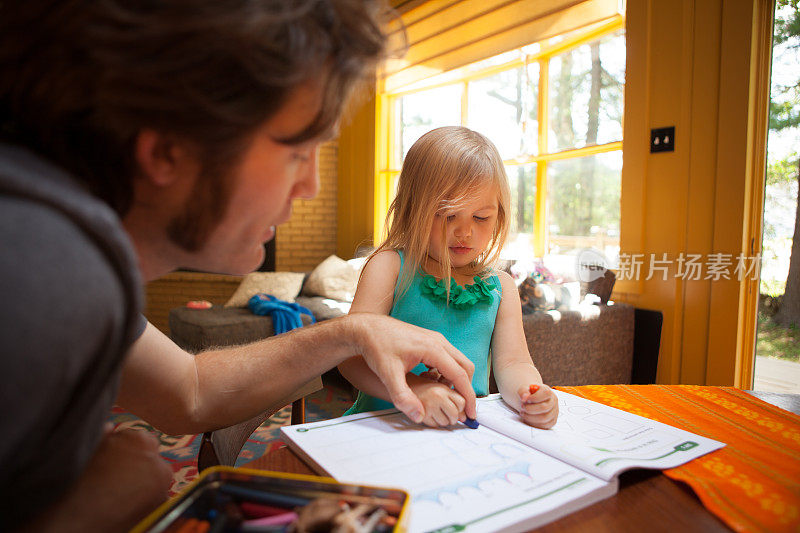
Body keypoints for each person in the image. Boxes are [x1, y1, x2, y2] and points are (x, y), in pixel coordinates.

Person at [0, 2, 478, 531]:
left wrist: (354, 331)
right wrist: (106, 495)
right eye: (297, 151)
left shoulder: (61, 246)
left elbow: (191, 390)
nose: (311, 187)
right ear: (168, 147)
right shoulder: (38, 265)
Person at [338, 126, 560, 428]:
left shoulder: (500, 287)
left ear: (500, 216)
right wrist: (415, 389)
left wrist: (529, 392)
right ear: (412, 207)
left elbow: (514, 363)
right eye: (447, 214)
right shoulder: (390, 267)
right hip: (385, 427)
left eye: (481, 217)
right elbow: (350, 356)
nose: (464, 231)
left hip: (460, 433)